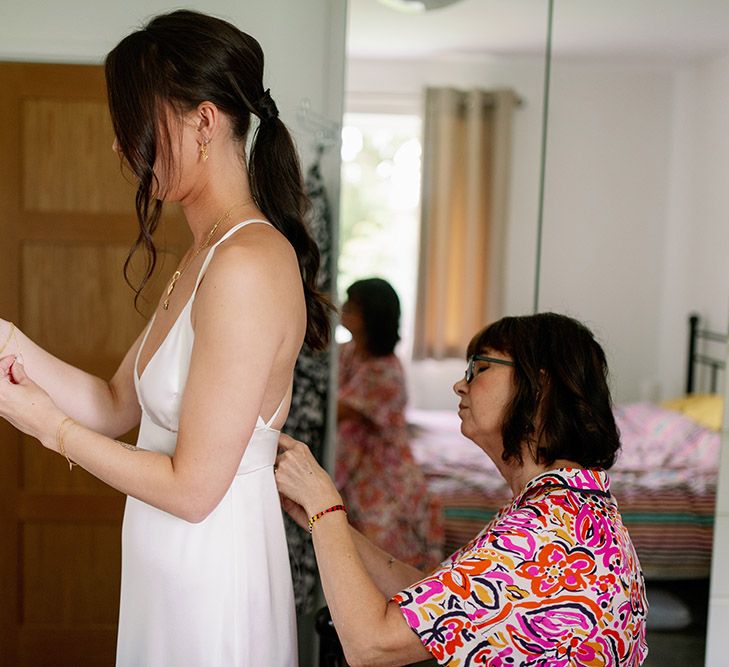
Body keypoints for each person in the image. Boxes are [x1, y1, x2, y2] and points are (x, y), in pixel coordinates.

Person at [0, 10, 330, 666]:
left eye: (134, 124)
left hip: (213, 576)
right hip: (170, 570)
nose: (121, 149)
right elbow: (115, 402)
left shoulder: (245, 262)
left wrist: (48, 429)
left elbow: (192, 487)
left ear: (203, 122)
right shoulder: (204, 255)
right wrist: (7, 339)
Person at [275, 313, 648, 666]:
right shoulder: (570, 506)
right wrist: (318, 516)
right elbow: (437, 604)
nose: (460, 384)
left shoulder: (544, 534)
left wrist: (324, 507)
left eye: (480, 367)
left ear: (540, 388)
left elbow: (370, 646)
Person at [337, 278, 443, 569]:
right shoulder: (348, 352)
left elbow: (334, 410)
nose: (343, 310)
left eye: (351, 307)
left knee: (380, 564)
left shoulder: (384, 372)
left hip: (383, 476)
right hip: (356, 468)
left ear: (370, 316)